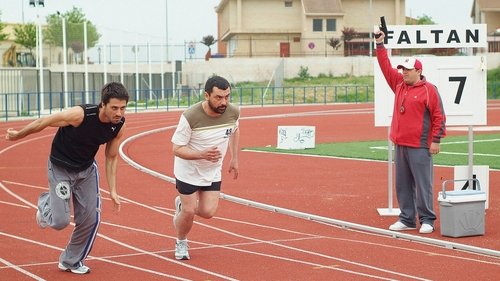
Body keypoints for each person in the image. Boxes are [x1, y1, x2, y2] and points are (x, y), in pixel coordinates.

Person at [5, 82, 129, 274]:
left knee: (91, 219)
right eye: (114, 108)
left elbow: (111, 157)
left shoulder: (119, 125)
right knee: (60, 221)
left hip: (86, 170)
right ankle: (46, 206)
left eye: (122, 108)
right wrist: (18, 135)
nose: (119, 113)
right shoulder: (80, 115)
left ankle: (71, 260)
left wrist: (113, 189)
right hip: (60, 167)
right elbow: (43, 121)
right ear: (102, 105)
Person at [375, 31, 446, 234]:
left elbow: (439, 116)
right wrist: (380, 44)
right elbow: (385, 66)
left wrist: (436, 140)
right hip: (401, 143)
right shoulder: (398, 84)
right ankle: (407, 218)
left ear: (418, 71)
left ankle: (427, 219)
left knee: (423, 184)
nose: (404, 72)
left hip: (420, 145)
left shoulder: (429, 90)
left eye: (407, 69)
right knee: (403, 184)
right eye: (402, 69)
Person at [171, 75, 240, 260]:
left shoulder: (233, 112)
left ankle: (181, 205)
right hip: (188, 171)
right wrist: (201, 154)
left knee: (208, 212)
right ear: (206, 95)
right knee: (189, 211)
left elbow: (235, 130)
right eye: (218, 97)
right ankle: (181, 241)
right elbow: (176, 149)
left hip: (212, 170)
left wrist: (234, 158)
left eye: (227, 96)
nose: (223, 101)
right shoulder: (190, 117)